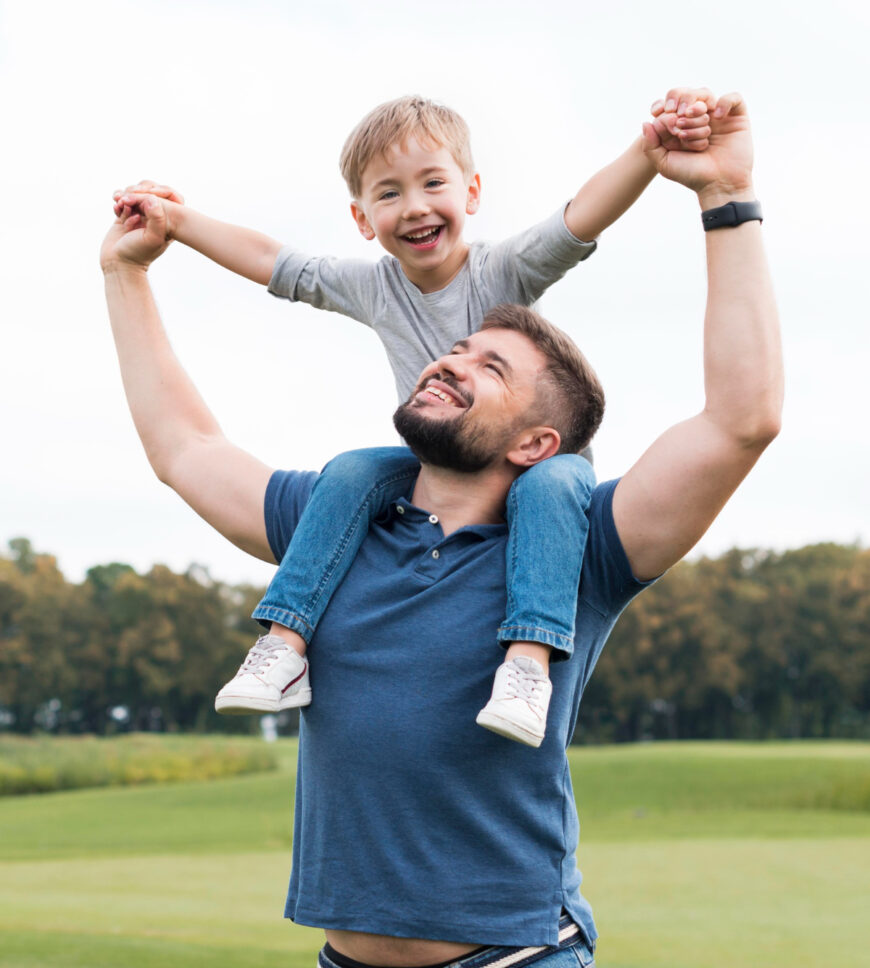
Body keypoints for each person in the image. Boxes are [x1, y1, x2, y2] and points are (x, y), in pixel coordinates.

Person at [102, 90, 781, 968]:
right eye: (455, 349)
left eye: (490, 363)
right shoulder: (332, 531)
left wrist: (726, 196)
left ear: (537, 441)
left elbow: (742, 419)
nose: (450, 357)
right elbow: (184, 446)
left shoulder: (580, 545)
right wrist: (128, 273)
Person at [112, 89, 713, 747]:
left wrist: (648, 155)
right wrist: (176, 220)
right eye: (389, 193)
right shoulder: (376, 287)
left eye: (433, 183)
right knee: (354, 471)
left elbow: (578, 220)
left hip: (536, 475)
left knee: (553, 483)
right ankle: (284, 644)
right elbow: (274, 263)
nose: (416, 206)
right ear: (363, 218)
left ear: (472, 193)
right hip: (438, 467)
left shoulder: (502, 271)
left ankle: (527, 663)